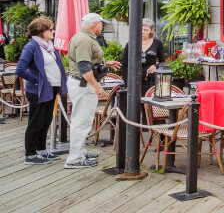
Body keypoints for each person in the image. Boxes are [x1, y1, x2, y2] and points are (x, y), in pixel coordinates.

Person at [15, 16, 67, 165]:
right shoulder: (31, 47)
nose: (53, 31)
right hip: (39, 90)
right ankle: (30, 154)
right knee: (36, 121)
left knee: (46, 121)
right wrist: (38, 80)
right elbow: (21, 69)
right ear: (40, 31)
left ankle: (41, 150)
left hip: (51, 89)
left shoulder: (49, 46)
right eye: (50, 29)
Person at [65, 13, 110, 169]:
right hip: (84, 84)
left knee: (82, 120)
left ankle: (80, 152)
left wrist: (105, 64)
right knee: (81, 121)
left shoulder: (82, 37)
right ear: (94, 24)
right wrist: (97, 87)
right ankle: (74, 158)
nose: (102, 26)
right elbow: (84, 66)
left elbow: (86, 62)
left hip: (81, 83)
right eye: (101, 23)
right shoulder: (84, 40)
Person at [120, 22, 165, 95]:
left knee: (148, 104)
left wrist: (155, 66)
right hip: (134, 80)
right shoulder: (131, 43)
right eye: (141, 29)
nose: (142, 32)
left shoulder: (157, 43)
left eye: (145, 30)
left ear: (151, 30)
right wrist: (127, 84)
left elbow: (162, 62)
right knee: (134, 105)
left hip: (151, 81)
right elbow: (124, 65)